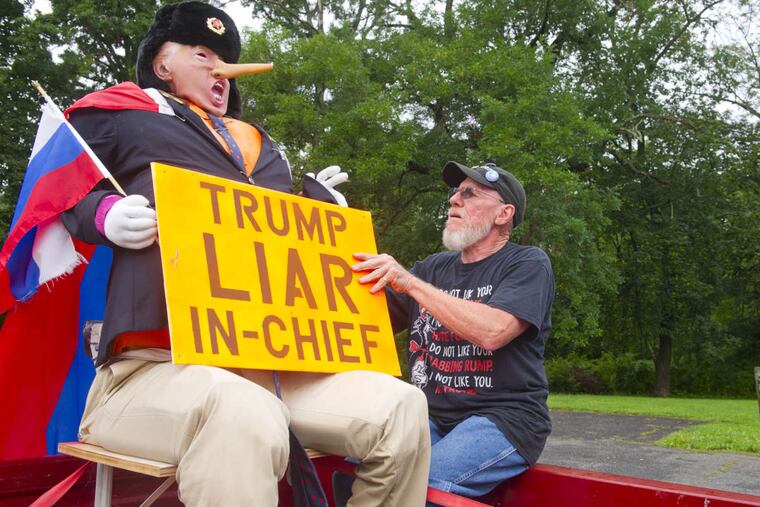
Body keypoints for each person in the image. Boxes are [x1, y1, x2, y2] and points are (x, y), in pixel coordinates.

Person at [61, 2, 430, 506]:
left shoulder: (263, 147)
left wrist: (319, 217)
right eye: (203, 54)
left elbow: (278, 253)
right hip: (153, 369)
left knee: (402, 406)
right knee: (244, 410)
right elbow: (58, 185)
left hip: (274, 370)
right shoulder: (124, 113)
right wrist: (103, 214)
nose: (222, 72)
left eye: (228, 63)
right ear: (162, 64)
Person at [353, 161, 554, 501]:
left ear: (504, 214)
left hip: (504, 418)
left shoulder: (527, 263)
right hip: (427, 415)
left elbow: (494, 330)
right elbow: (364, 317)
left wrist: (409, 283)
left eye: (469, 194)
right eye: (454, 193)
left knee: (422, 483)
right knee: (360, 464)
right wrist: (323, 228)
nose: (453, 201)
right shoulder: (432, 268)